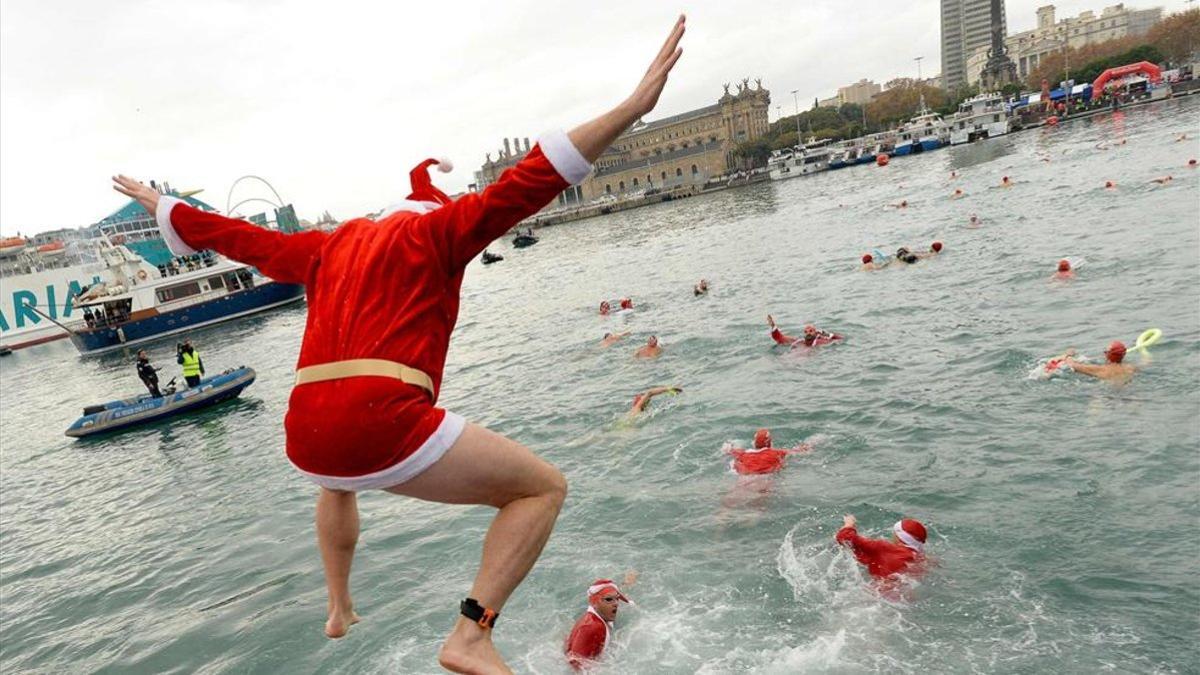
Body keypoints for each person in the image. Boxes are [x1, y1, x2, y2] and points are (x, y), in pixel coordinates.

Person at [113, 14, 687, 673]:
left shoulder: (328, 245)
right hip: (377, 418)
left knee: (335, 482)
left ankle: (338, 603)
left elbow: (238, 237)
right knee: (541, 490)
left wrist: (165, 205)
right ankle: (472, 632)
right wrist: (632, 106)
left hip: (304, 430)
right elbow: (532, 178)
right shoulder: (438, 232)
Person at [564, 573, 637, 670]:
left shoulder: (597, 615)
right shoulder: (594, 627)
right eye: (608, 600)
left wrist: (627, 584)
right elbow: (577, 667)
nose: (615, 604)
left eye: (617, 599)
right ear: (594, 603)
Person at [835, 514, 927, 580]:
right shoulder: (921, 558)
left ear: (899, 537)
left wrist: (849, 524)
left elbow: (844, 537)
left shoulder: (883, 547)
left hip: (877, 596)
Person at [724, 428, 810, 475]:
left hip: (744, 479)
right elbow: (799, 451)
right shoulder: (777, 453)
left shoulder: (743, 454)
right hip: (764, 481)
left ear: (754, 443)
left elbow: (727, 449)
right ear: (770, 443)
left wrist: (731, 444)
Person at [1063, 341, 1137, 384]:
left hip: (1108, 393)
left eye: (1105, 352)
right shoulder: (1130, 368)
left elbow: (1072, 365)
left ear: (1107, 354)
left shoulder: (1099, 369)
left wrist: (1069, 355)